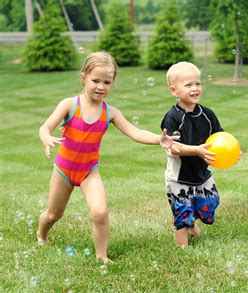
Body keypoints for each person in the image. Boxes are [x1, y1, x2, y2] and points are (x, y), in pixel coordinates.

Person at [37, 51, 178, 262]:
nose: (101, 86)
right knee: (53, 215)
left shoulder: (110, 112)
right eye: (95, 80)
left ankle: (101, 256)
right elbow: (45, 127)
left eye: (107, 82)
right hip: (64, 170)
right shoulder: (69, 104)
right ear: (83, 77)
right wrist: (46, 136)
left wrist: (159, 139)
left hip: (88, 171)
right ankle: (42, 234)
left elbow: (135, 132)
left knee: (100, 212)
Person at [161, 61, 223, 248]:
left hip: (202, 174)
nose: (195, 88)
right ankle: (183, 246)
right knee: (182, 210)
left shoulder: (207, 114)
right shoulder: (172, 117)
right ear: (174, 91)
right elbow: (173, 147)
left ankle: (192, 223)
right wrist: (196, 150)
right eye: (188, 85)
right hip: (179, 177)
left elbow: (220, 138)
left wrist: (232, 152)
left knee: (210, 202)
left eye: (197, 83)